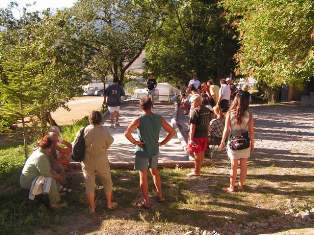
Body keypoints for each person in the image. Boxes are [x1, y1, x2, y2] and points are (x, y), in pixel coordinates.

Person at [124, 97, 175, 208]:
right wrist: (162, 143)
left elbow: (127, 133)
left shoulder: (139, 120)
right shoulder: (159, 118)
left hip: (142, 151)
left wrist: (136, 142)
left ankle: (146, 201)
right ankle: (160, 195)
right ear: (151, 105)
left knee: (143, 176)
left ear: (141, 106)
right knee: (155, 172)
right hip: (154, 150)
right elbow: (172, 132)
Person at [77, 111, 115, 213]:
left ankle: (92, 208)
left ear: (90, 119)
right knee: (107, 181)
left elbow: (77, 144)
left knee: (89, 184)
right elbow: (110, 142)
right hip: (101, 159)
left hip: (87, 160)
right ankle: (109, 204)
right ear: (101, 119)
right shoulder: (104, 130)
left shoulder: (83, 130)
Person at [219, 90, 254, 192]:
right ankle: (242, 185)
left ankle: (231, 187)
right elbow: (251, 131)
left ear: (235, 101)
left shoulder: (229, 113)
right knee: (244, 166)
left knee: (233, 166)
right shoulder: (249, 114)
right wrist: (252, 143)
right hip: (245, 142)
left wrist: (222, 142)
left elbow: (226, 130)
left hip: (233, 142)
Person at [20, 135, 65, 208]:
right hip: (28, 182)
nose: (51, 150)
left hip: (32, 178)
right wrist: (59, 177)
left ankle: (57, 192)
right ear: (49, 147)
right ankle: (54, 203)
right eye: (51, 147)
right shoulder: (41, 156)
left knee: (54, 175)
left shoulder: (40, 152)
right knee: (50, 179)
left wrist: (56, 174)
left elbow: (47, 169)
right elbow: (47, 174)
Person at [187, 94, 212, 176]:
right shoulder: (207, 110)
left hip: (196, 136)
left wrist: (190, 139)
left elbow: (192, 127)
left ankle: (196, 172)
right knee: (201, 153)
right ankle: (198, 169)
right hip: (204, 135)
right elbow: (208, 124)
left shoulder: (195, 111)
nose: (191, 104)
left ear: (197, 101)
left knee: (197, 154)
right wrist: (208, 134)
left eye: (192, 102)